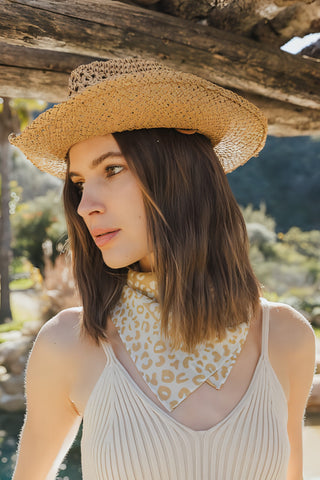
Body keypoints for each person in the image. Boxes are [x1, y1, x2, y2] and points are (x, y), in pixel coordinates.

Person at [9, 58, 315, 480]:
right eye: (79, 183)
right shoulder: (68, 344)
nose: (84, 206)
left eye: (112, 169)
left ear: (182, 175)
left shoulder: (285, 337)